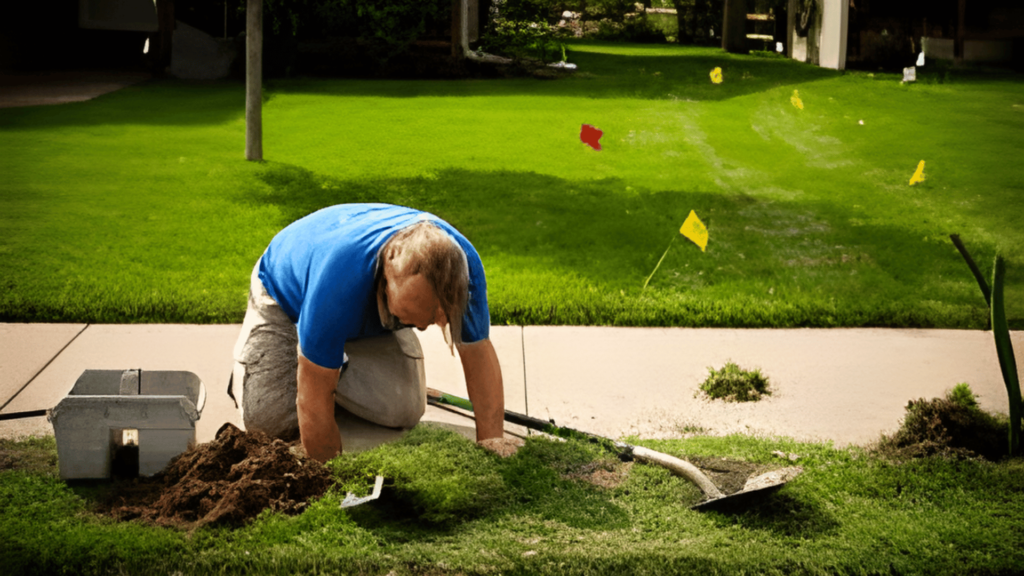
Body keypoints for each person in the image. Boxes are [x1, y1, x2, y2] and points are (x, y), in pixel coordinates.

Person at [230, 203, 519, 462]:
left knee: (403, 409)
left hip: (363, 315)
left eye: (430, 319)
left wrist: (491, 442)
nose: (420, 327)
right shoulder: (337, 282)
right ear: (389, 270)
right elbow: (313, 399)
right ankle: (303, 357)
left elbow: (477, 352)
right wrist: (331, 480)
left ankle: (330, 357)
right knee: (268, 420)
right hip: (284, 299)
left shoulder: (461, 270)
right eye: (410, 315)